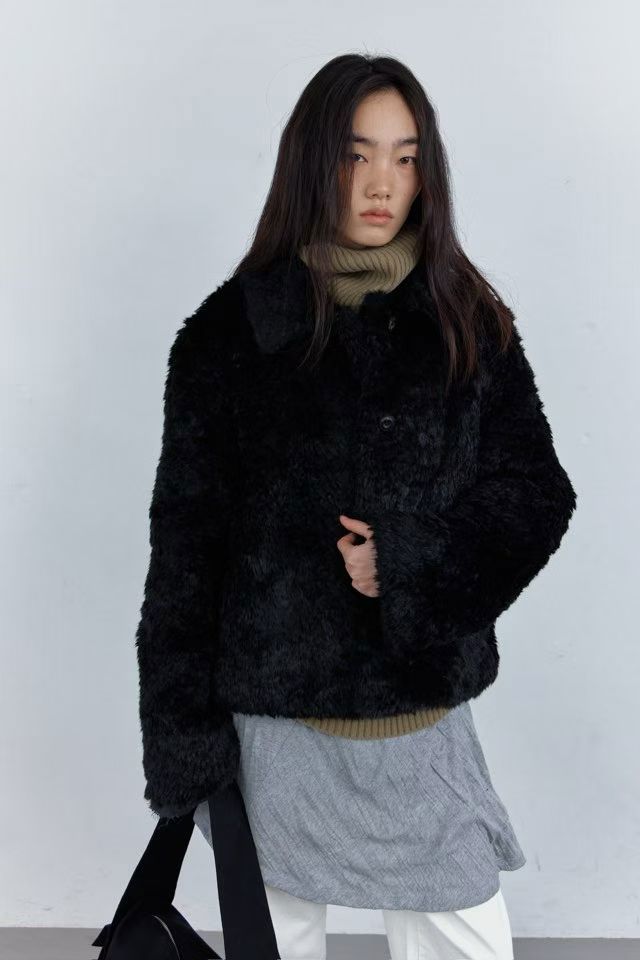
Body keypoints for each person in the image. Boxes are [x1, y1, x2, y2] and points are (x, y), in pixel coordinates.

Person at [135, 53, 578, 960]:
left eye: (406, 158)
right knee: (276, 944)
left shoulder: (465, 319)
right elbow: (184, 555)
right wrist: (182, 743)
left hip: (420, 716)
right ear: (312, 161)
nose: (383, 183)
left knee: (463, 932)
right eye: (356, 154)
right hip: (273, 732)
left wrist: (410, 565)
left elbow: (537, 493)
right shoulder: (228, 335)